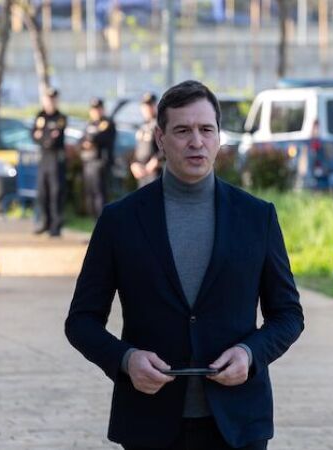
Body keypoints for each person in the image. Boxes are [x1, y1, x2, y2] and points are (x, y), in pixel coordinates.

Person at [65, 80, 304, 450]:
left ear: (219, 136)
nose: (196, 141)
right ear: (160, 139)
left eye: (206, 129)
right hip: (149, 422)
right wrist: (126, 360)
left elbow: (288, 314)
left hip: (239, 424)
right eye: (182, 131)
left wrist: (251, 354)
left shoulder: (257, 217)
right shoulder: (119, 220)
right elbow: (81, 321)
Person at [31, 87, 67, 236]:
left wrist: (43, 137)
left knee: (55, 192)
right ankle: (45, 222)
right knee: (43, 192)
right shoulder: (40, 115)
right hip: (44, 157)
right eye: (48, 99)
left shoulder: (60, 117)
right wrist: (46, 138)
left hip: (55, 158)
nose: (50, 102)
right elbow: (33, 135)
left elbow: (54, 139)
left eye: (53, 99)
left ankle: (56, 225)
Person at [79, 97, 116, 219]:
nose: (96, 112)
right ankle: (94, 223)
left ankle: (102, 224)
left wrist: (90, 140)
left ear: (102, 109)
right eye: (94, 109)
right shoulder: (89, 124)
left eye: (98, 109)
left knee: (100, 195)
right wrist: (86, 143)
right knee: (90, 195)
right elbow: (80, 141)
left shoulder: (107, 123)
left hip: (100, 163)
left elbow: (102, 138)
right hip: (88, 163)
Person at [130, 92, 163, 189]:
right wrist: (133, 163)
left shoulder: (161, 124)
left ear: (155, 106)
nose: (147, 109)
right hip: (141, 171)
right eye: (145, 106)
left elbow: (168, 145)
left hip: (154, 170)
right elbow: (138, 148)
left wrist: (157, 159)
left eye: (150, 105)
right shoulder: (142, 126)